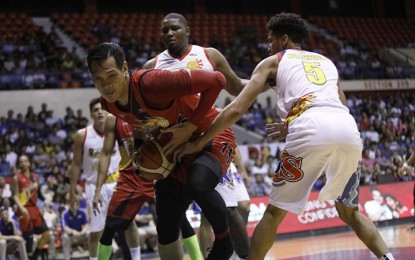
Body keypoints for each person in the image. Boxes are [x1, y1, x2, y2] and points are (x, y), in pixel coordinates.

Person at [173, 12, 395, 260]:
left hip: (311, 128)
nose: (268, 46)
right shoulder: (326, 62)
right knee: (350, 211)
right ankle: (387, 257)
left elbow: (236, 108)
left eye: (270, 40)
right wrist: (291, 123)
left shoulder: (273, 62)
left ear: (284, 39)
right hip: (347, 129)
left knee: (273, 214)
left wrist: (200, 141)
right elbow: (338, 103)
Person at [87, 42, 237, 260]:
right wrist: (140, 148)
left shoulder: (151, 82)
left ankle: (224, 242)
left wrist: (190, 126)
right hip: (175, 148)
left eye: (111, 76)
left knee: (198, 182)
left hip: (210, 134)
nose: (106, 85)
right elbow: (139, 126)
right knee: (166, 226)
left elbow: (217, 81)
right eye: (98, 80)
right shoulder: (109, 104)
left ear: (124, 68)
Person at [142, 13, 249, 258]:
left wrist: (264, 80)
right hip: (175, 147)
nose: (169, 33)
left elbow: (235, 86)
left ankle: (244, 254)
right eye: (164, 30)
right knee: (173, 219)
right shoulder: (152, 67)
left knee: (231, 209)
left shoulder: (209, 55)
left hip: (211, 136)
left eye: (174, 28)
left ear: (187, 30)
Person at [92, 114, 155, 260]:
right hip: (129, 179)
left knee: (176, 224)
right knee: (109, 227)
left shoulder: (153, 105)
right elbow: (105, 153)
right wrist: (97, 190)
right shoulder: (113, 118)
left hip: (155, 177)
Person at [69, 97, 121, 260]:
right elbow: (76, 164)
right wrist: (71, 192)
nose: (99, 112)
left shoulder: (118, 130)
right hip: (93, 187)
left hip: (117, 184)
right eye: (95, 110)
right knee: (96, 231)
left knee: (125, 226)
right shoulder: (82, 135)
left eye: (102, 109)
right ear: (91, 114)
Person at [11, 155, 55, 259]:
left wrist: (45, 201)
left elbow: (38, 193)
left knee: (46, 234)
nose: (23, 163)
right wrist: (21, 208)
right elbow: (14, 196)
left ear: (29, 163)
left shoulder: (35, 177)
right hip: (24, 209)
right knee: (29, 240)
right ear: (19, 164)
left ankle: (35, 257)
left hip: (34, 208)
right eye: (21, 162)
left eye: (25, 161)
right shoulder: (17, 177)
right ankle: (30, 256)